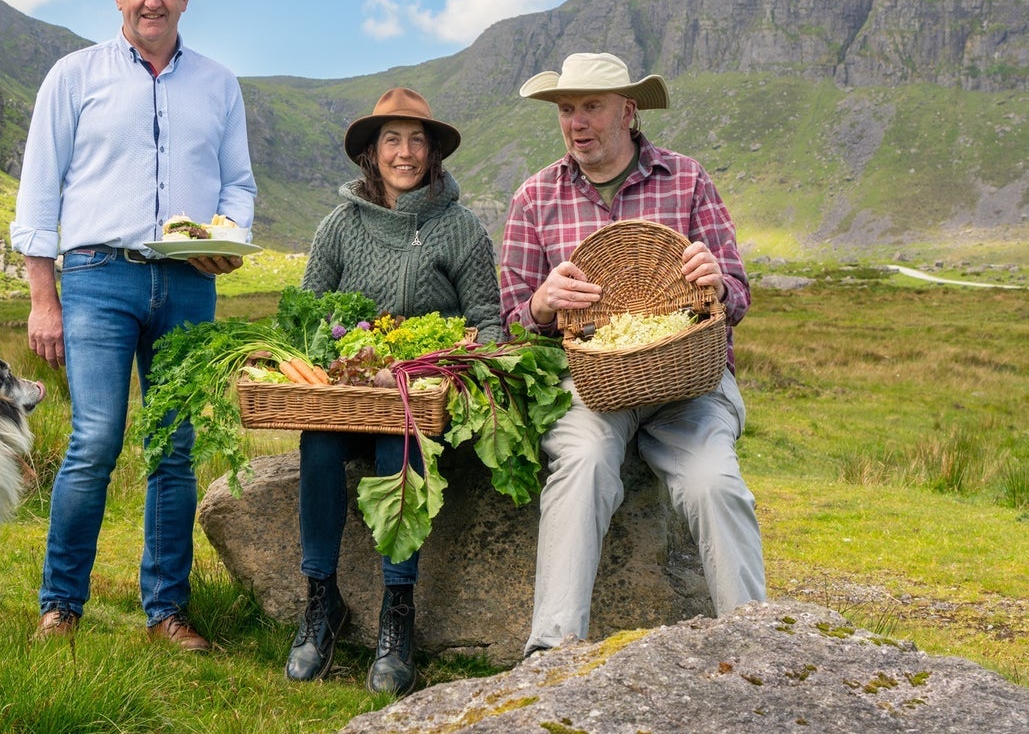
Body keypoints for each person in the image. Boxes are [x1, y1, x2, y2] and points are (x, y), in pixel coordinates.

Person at [10, 0, 257, 650]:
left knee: (175, 448)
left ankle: (167, 612)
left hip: (188, 282)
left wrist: (229, 238)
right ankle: (61, 605)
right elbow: (38, 192)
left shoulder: (219, 85)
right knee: (94, 441)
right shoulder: (74, 76)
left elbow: (238, 184)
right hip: (95, 277)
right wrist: (42, 298)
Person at [499, 52, 765, 656]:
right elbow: (507, 324)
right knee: (585, 462)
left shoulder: (688, 179)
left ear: (628, 109)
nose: (577, 122)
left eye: (591, 106)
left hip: (690, 387)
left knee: (713, 483)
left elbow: (740, 296)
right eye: (567, 110)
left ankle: (757, 647)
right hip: (592, 387)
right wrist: (541, 305)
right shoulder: (535, 197)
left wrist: (718, 282)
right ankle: (552, 654)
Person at [287, 88, 502, 696]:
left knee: (397, 441)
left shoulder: (459, 227)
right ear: (371, 152)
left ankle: (396, 612)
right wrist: (351, 364)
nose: (404, 152)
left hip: (421, 400)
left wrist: (446, 371)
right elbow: (306, 317)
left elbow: (488, 319)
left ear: (432, 150)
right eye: (391, 139)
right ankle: (321, 602)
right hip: (351, 394)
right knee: (319, 442)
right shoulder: (340, 226)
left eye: (415, 139)